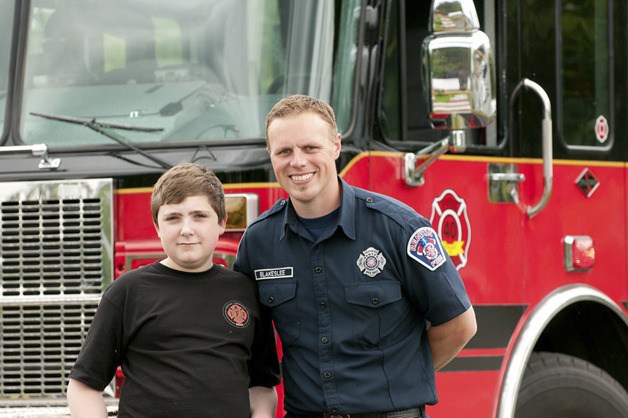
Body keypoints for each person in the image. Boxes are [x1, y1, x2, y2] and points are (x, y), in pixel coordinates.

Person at [234, 95, 477, 418]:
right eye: (284, 151)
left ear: (335, 146)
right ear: (271, 155)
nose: (298, 162)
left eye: (310, 148)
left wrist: (397, 376)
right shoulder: (259, 242)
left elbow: (459, 324)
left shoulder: (397, 228)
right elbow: (251, 347)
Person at [67, 163, 281, 418]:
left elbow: (262, 386)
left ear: (222, 222)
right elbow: (83, 386)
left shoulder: (246, 292)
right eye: (173, 218)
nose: (186, 230)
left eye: (199, 216)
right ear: (157, 227)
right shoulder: (128, 291)